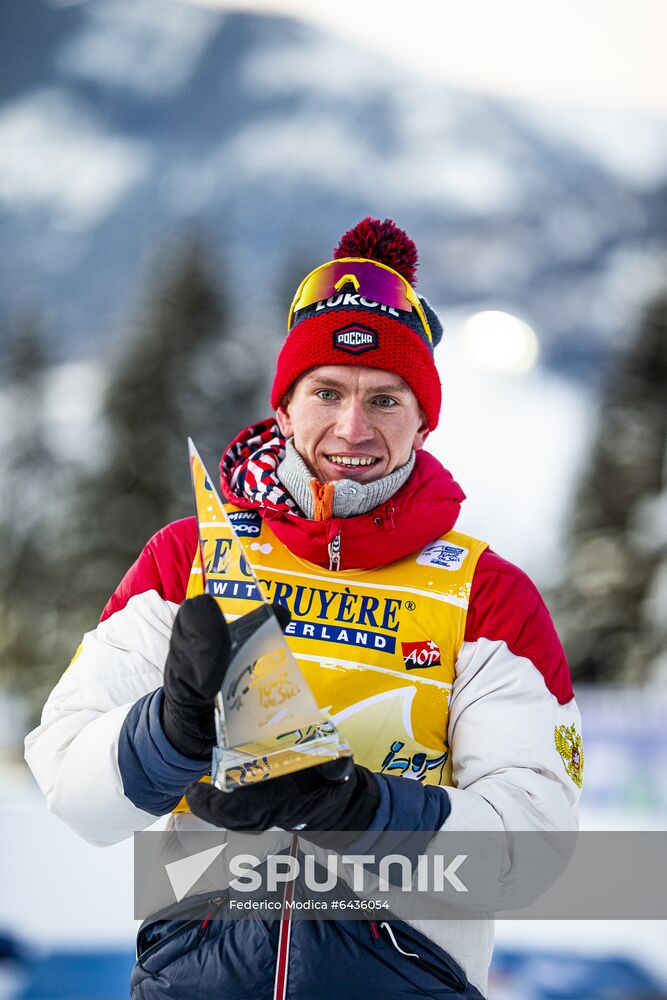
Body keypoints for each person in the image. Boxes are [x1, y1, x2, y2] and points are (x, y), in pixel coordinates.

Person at [25, 218, 582, 999]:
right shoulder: (192, 556)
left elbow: (532, 850)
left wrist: (354, 807)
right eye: (326, 392)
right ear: (283, 408)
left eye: (385, 400)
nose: (353, 429)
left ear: (424, 420)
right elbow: (71, 790)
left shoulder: (486, 595)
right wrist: (171, 729)